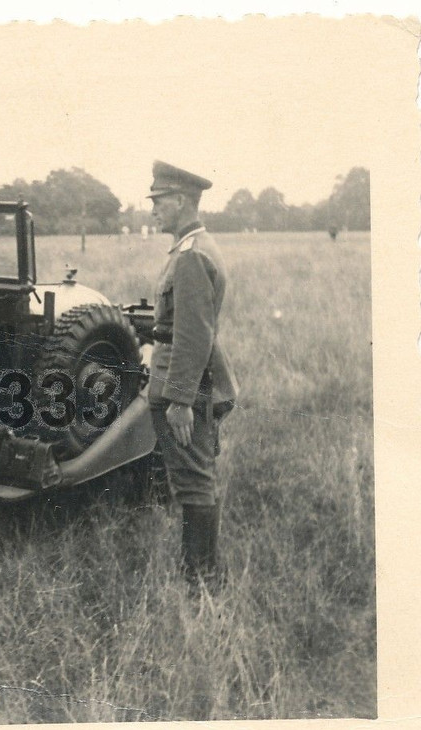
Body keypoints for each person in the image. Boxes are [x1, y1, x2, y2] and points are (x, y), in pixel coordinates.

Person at [146, 161, 239, 588]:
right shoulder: (193, 247)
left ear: (182, 200)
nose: (152, 210)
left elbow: (192, 335)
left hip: (184, 385)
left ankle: (200, 583)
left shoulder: (191, 256)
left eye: (159, 201)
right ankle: (201, 576)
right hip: (182, 378)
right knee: (192, 478)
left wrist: (180, 400)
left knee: (194, 482)